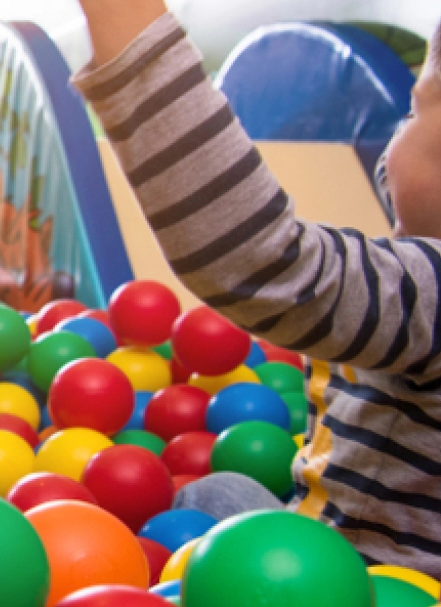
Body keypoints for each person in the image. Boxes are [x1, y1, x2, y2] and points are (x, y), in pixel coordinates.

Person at [72, 0, 441, 574]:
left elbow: (263, 264)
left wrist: (124, 17)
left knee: (204, 503)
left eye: (412, 113)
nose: (387, 154)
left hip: (358, 596)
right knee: (219, 493)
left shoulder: (430, 294)